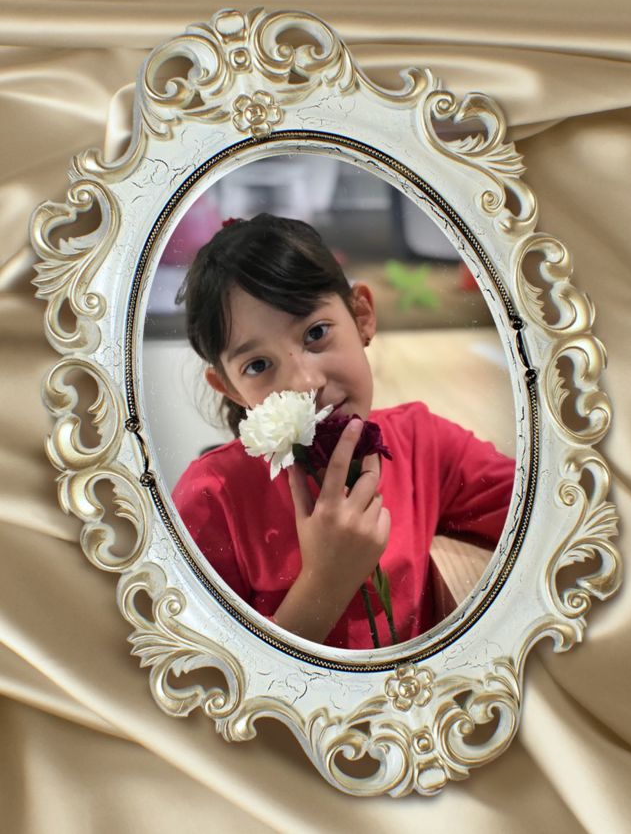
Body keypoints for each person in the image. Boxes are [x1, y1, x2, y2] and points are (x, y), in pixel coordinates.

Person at [172, 213, 515, 649]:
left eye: (316, 333)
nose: (305, 383)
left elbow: (551, 509)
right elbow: (209, 672)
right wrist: (326, 581)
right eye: (258, 365)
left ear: (362, 316)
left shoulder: (421, 444)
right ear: (231, 389)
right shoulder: (210, 500)